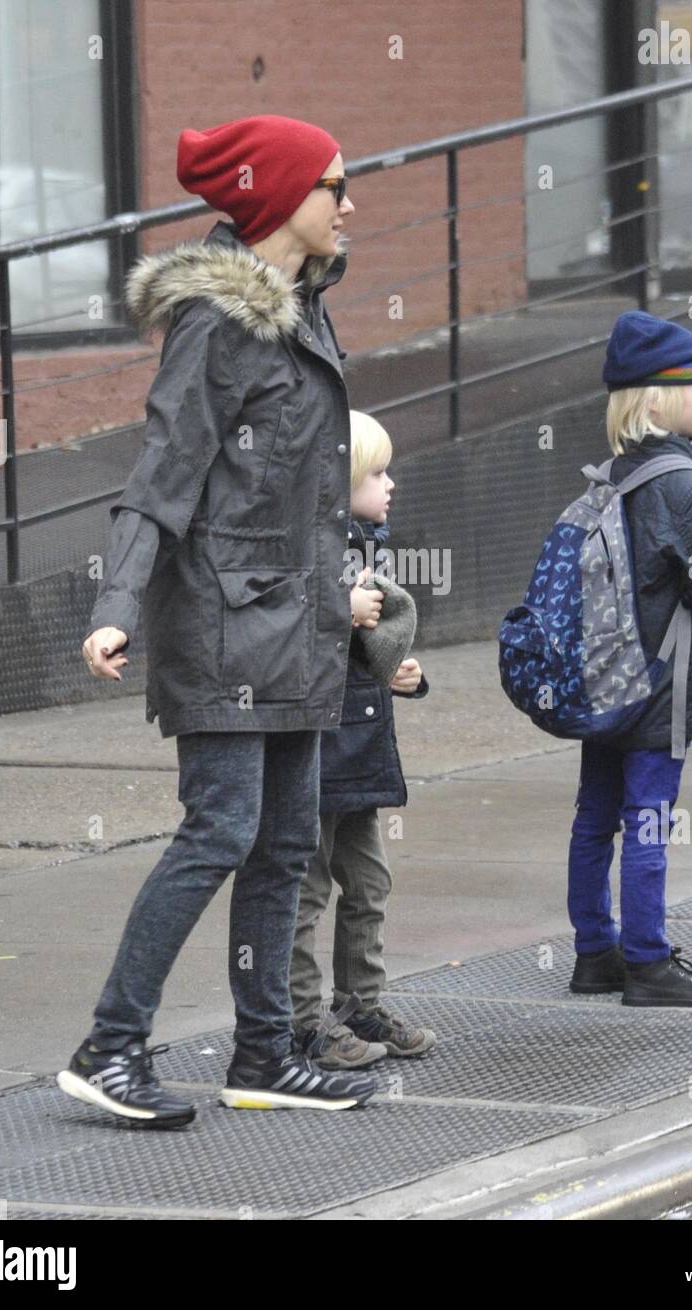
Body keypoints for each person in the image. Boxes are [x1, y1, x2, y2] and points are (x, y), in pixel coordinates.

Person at [56, 114, 379, 1125]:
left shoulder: (308, 306)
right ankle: (110, 1046)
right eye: (336, 182)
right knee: (222, 828)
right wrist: (116, 608)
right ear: (284, 196)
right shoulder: (217, 321)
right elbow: (161, 476)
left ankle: (264, 1051)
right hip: (227, 624)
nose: (349, 201)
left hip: (298, 625)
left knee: (286, 842)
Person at [566, 311, 692, 1008]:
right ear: (662, 399)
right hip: (659, 681)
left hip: (602, 677)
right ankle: (647, 962)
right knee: (647, 817)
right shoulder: (682, 484)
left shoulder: (610, 475)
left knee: (594, 815)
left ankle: (593, 953)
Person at [290, 411, 437, 1069]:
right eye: (375, 473)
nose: (390, 484)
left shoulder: (360, 548)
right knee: (306, 886)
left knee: (368, 883)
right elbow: (279, 633)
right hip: (317, 746)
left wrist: (395, 671)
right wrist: (336, 609)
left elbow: (351, 655)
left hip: (357, 744)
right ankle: (299, 1018)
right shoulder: (310, 547)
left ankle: (361, 1003)